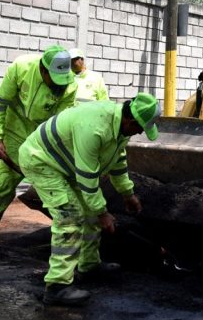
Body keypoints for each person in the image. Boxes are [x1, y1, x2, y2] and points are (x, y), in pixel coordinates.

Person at [21, 93, 157, 306]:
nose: (140, 133)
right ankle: (57, 286)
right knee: (70, 217)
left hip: (66, 165)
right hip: (41, 161)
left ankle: (89, 266)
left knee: (91, 214)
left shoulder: (120, 128)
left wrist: (128, 194)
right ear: (130, 120)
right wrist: (103, 213)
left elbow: (118, 161)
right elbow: (87, 177)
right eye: (140, 128)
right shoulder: (94, 128)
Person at [0, 45, 78, 258]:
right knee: (3, 185)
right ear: (43, 69)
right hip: (15, 132)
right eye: (53, 78)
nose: (58, 84)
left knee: (58, 190)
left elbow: (61, 124)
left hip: (43, 137)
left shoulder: (69, 84)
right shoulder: (21, 68)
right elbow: (0, 103)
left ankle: (76, 247)